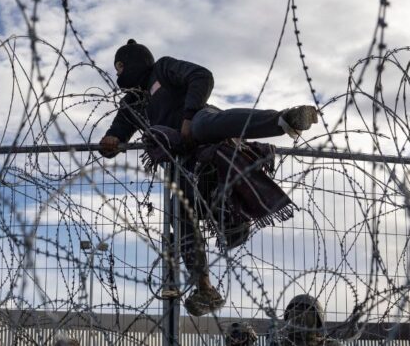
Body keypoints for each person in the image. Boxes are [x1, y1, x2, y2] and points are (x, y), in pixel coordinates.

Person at [99, 40, 319, 317]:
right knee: (180, 213)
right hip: (187, 164)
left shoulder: (162, 69)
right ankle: (205, 289)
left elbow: (201, 76)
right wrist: (109, 142)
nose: (118, 74)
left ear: (133, 63)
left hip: (203, 122)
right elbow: (118, 131)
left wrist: (188, 117)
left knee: (203, 126)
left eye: (120, 67)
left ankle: (284, 120)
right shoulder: (133, 102)